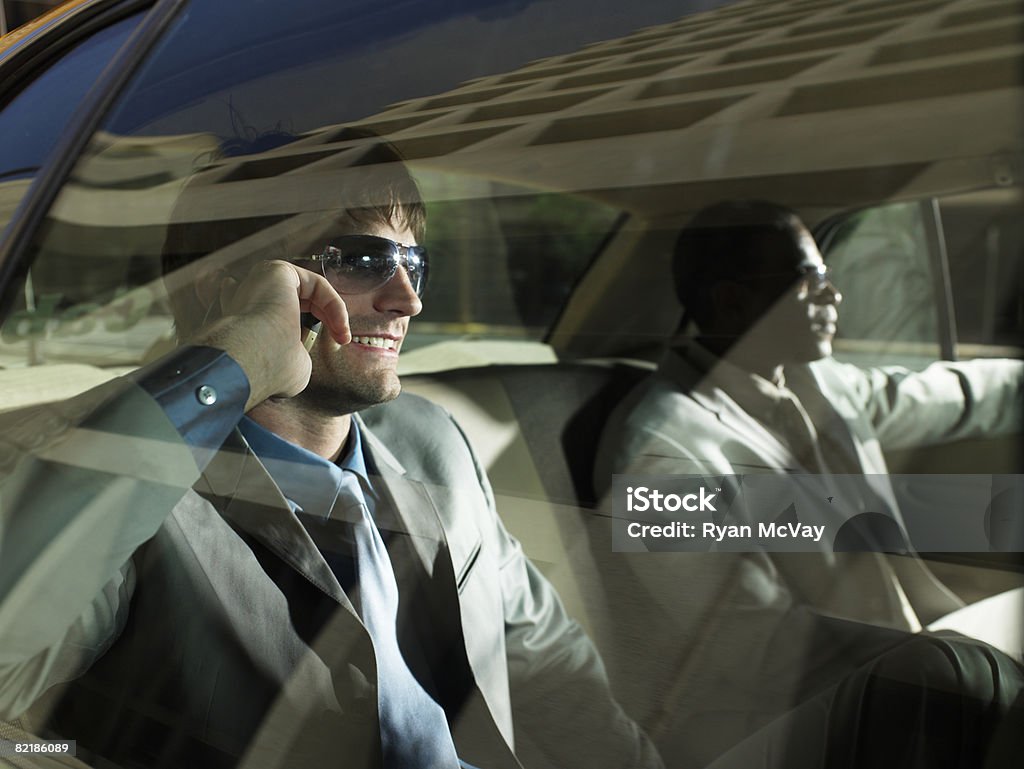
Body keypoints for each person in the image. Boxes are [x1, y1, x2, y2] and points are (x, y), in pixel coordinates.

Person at [0, 138, 659, 769]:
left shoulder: (434, 439)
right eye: (364, 261)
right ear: (227, 289)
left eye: (413, 264)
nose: (409, 299)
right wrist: (231, 366)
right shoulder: (109, 471)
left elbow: (545, 661)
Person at [591, 200, 1024, 768]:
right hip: (783, 718)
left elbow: (945, 396)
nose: (833, 295)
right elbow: (761, 648)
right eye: (810, 277)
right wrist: (945, 662)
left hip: (907, 666)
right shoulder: (659, 453)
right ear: (732, 300)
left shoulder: (817, 381)